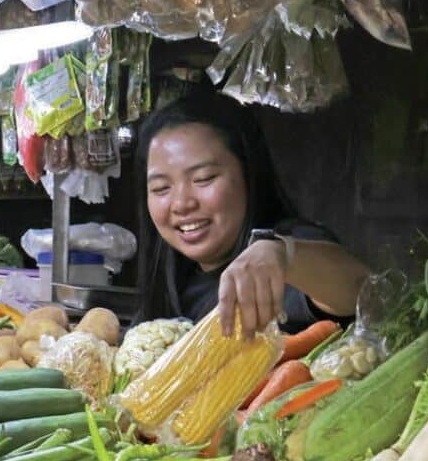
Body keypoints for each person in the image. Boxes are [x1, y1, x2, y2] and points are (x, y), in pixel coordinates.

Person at [133, 86, 369, 338]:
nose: (181, 203)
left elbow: (359, 290)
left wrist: (283, 254)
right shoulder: (174, 281)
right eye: (161, 188)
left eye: (203, 178)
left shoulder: (290, 250)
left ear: (249, 174)